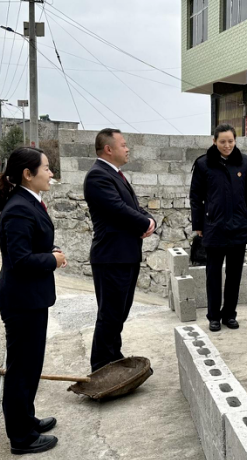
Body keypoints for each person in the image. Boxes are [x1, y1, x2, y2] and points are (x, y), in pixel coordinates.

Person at [0, 147, 67, 454]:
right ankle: (21, 437)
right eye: (46, 168)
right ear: (27, 174)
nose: (51, 173)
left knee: (31, 366)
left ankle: (27, 420)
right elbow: (19, 260)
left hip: (31, 298)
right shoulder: (20, 207)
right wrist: (53, 259)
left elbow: (33, 243)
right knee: (21, 369)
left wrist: (50, 251)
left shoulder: (29, 202)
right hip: (21, 301)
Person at [84, 128, 156, 372]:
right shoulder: (97, 176)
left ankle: (114, 357)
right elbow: (117, 209)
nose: (127, 149)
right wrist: (144, 223)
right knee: (110, 314)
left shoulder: (116, 175)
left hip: (125, 254)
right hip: (111, 256)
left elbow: (133, 207)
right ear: (109, 149)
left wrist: (149, 220)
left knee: (119, 314)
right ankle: (102, 367)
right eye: (123, 145)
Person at [190, 123, 247, 332]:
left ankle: (229, 314)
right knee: (213, 274)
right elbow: (195, 197)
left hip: (239, 227)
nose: (227, 145)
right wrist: (198, 224)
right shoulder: (203, 165)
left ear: (235, 140)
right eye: (222, 141)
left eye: (230, 141)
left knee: (234, 274)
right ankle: (213, 316)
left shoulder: (246, 163)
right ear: (214, 141)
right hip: (213, 227)